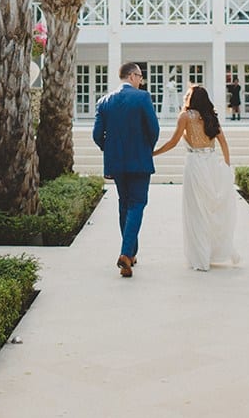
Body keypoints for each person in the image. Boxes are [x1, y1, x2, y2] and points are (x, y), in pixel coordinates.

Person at [153, 85, 240, 271]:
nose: (185, 95)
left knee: (196, 210)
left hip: (195, 164)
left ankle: (201, 256)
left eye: (188, 93)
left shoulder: (185, 117)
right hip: (211, 163)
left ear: (191, 98)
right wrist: (226, 166)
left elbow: (173, 142)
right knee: (210, 209)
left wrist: (153, 153)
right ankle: (211, 252)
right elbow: (223, 142)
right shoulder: (210, 115)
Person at [93, 62, 160, 278]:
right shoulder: (142, 97)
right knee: (138, 203)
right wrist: (145, 149)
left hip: (117, 163)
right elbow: (154, 129)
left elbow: (97, 135)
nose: (141, 81)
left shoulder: (104, 101)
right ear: (132, 76)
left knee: (125, 203)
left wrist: (111, 149)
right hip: (139, 161)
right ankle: (125, 253)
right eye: (140, 76)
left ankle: (130, 253)